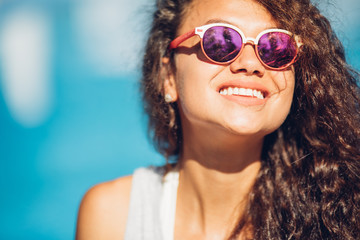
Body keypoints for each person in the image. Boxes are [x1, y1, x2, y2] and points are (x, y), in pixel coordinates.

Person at [76, 0, 360, 239]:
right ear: (168, 77)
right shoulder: (114, 217)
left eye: (276, 46)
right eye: (221, 40)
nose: (250, 64)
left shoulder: (340, 216)